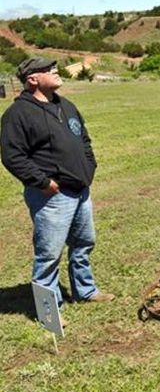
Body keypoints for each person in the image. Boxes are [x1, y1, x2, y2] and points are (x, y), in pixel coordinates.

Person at [1, 58, 114, 316]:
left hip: (81, 190)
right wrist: (43, 183)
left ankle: (85, 291)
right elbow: (12, 156)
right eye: (47, 69)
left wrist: (89, 167)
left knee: (84, 243)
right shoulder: (17, 115)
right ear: (32, 79)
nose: (54, 70)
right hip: (52, 195)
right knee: (49, 254)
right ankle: (49, 312)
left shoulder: (66, 106)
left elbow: (84, 139)